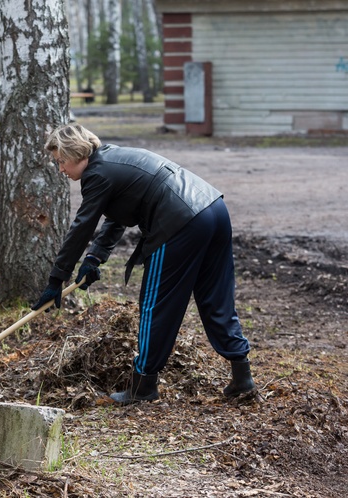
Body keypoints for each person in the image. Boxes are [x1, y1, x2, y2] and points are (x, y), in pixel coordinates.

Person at [32, 123, 256, 404]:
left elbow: (82, 226)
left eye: (61, 161)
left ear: (77, 154)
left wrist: (56, 279)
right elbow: (117, 216)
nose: (61, 169)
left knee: (156, 304)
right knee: (215, 295)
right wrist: (93, 258)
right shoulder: (114, 158)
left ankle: (143, 386)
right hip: (213, 208)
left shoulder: (97, 174)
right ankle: (242, 375)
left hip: (179, 223)